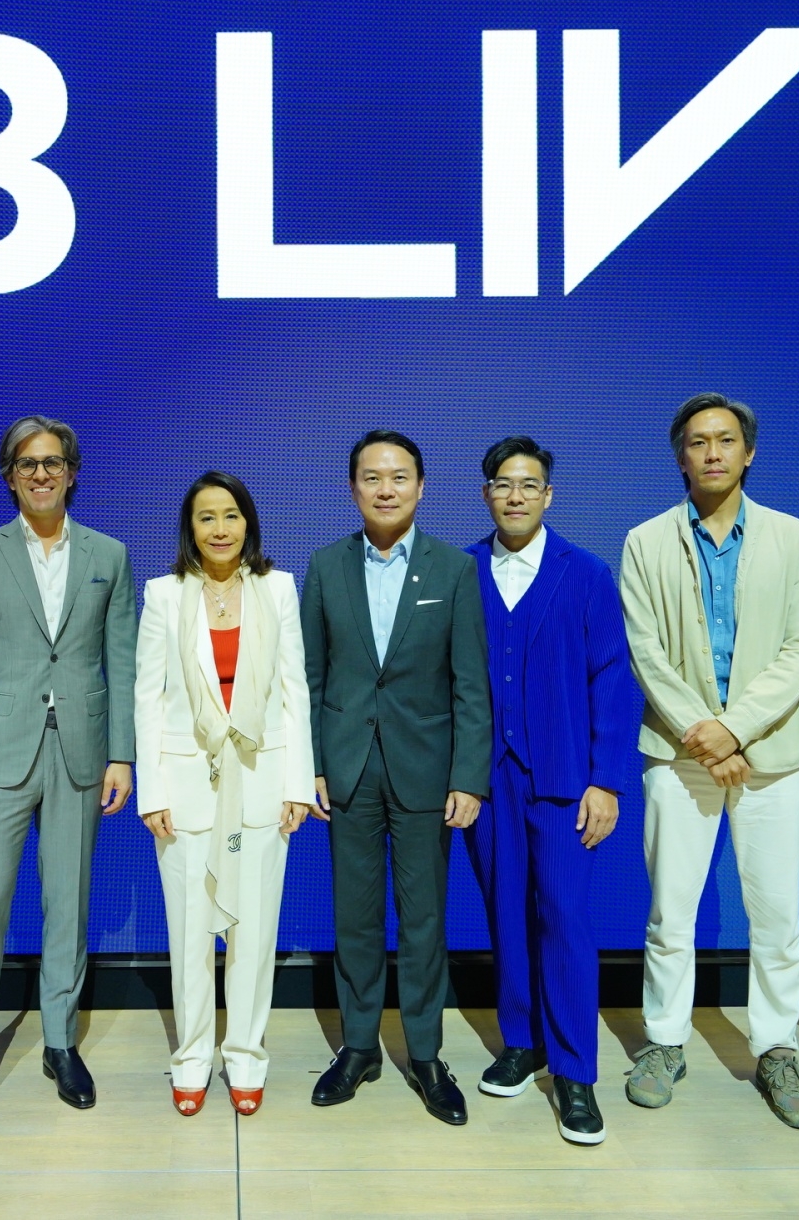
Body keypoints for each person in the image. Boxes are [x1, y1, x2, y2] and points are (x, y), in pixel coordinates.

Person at [619, 393, 799, 1130]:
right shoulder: (645, 540)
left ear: (749, 452)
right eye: (698, 441)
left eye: (727, 439)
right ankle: (663, 1041)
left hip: (771, 754)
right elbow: (644, 649)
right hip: (677, 754)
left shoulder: (794, 538)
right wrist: (700, 733)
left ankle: (776, 1047)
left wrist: (733, 730)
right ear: (680, 456)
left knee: (776, 914)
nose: (713, 452)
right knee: (670, 911)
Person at [0, 415, 137, 1145]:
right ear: (10, 476)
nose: (41, 474)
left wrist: (122, 754)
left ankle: (59, 1042)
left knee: (68, 905)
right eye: (28, 463)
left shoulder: (109, 554)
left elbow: (122, 659)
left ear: (72, 472)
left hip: (81, 751)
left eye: (53, 462)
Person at [301, 430, 491, 1126]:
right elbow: (310, 677)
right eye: (372, 477)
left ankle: (427, 1055)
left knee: (424, 921)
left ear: (421, 486)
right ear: (353, 487)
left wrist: (468, 776)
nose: (386, 489)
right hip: (347, 769)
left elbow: (470, 683)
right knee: (354, 919)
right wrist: (313, 765)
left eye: (400, 476)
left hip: (426, 771)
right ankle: (357, 1047)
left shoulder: (453, 569)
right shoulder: (325, 566)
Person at [464, 437, 637, 1146]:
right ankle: (522, 1040)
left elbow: (613, 678)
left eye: (528, 484)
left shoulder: (586, 572)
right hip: (486, 778)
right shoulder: (463, 570)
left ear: (548, 495)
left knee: (564, 916)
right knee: (505, 910)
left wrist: (606, 780)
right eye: (502, 484)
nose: (515, 495)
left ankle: (574, 1071)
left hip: (565, 777)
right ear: (486, 494)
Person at [135, 472, 316, 1117]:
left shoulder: (278, 589)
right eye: (206, 517)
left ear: (248, 523)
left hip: (262, 780)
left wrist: (297, 783)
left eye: (231, 515)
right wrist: (152, 789)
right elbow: (147, 697)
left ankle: (245, 1056)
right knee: (189, 933)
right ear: (190, 528)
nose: (220, 528)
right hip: (185, 786)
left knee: (254, 931)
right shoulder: (163, 594)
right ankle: (191, 1058)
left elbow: (295, 692)